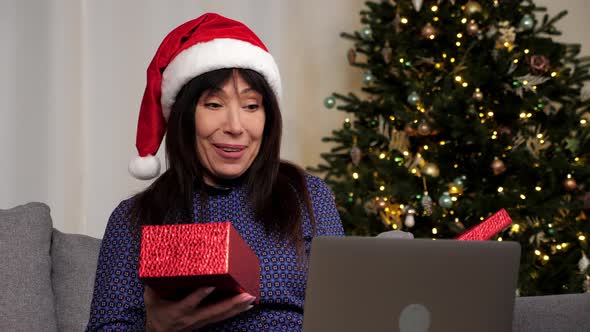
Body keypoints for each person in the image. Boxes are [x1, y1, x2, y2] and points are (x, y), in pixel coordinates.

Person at [86, 12, 344, 331]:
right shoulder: (135, 218)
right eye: (213, 105)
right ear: (185, 116)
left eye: (251, 106)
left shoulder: (308, 196)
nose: (235, 127)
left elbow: (340, 311)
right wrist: (154, 328)